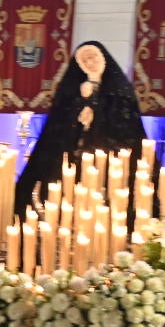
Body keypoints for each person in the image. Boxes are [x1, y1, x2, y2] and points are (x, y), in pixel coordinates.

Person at [13, 41, 146, 212]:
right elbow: (60, 120)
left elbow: (127, 122)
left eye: (93, 57)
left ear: (103, 58)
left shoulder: (120, 89)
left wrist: (98, 107)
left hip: (108, 151)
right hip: (75, 148)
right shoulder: (71, 89)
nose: (90, 62)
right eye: (85, 60)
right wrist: (80, 103)